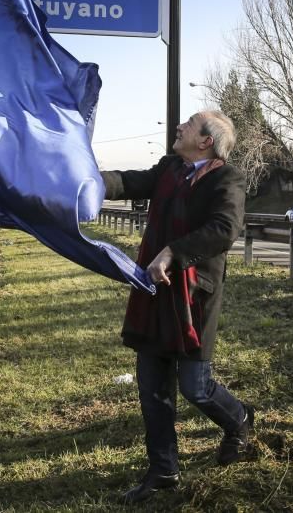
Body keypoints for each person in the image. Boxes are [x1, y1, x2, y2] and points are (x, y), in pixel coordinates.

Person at [100, 111, 252, 505]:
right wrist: (87, 180)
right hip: (155, 290)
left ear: (205, 141)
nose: (179, 127)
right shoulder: (170, 167)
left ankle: (239, 420)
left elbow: (224, 228)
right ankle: (163, 469)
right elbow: (130, 181)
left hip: (193, 297)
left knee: (194, 387)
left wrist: (174, 252)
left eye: (188, 124)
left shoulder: (227, 179)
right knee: (152, 387)